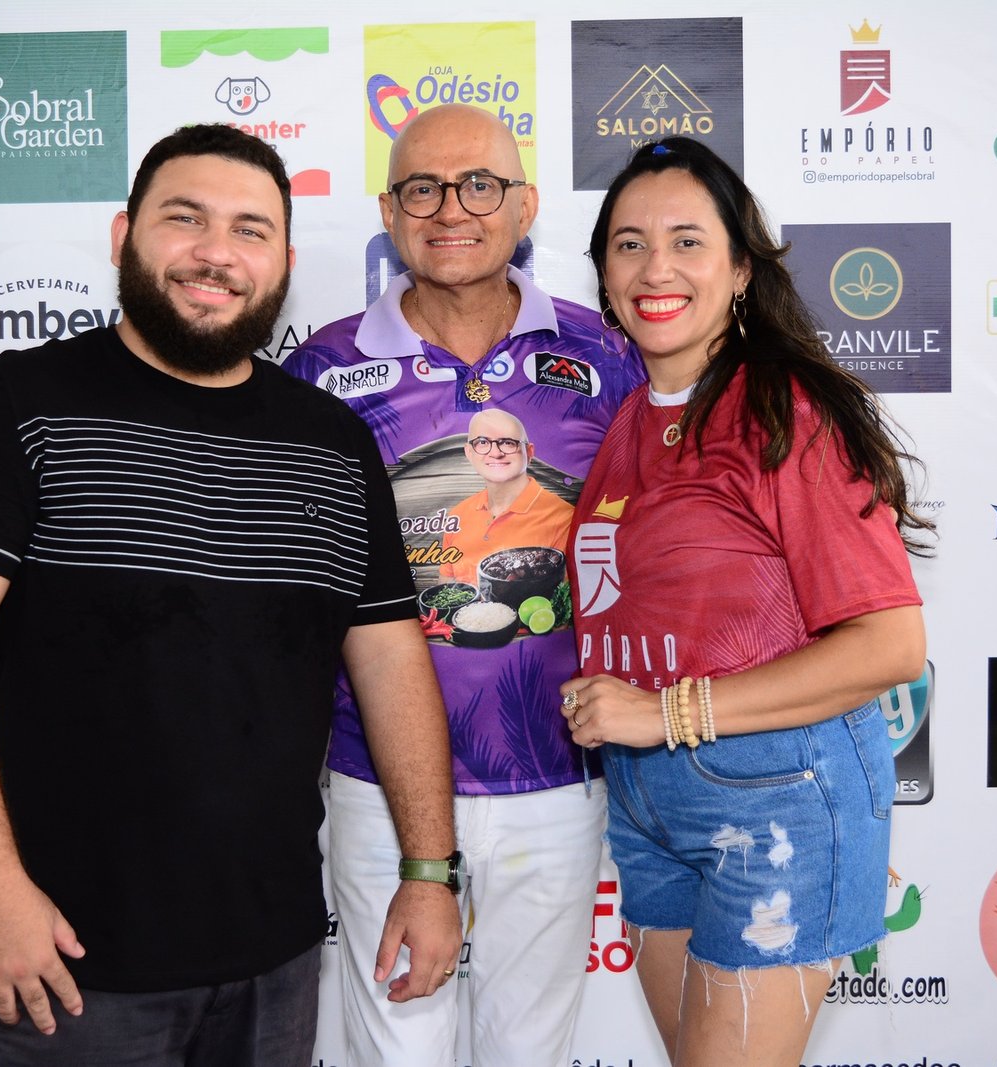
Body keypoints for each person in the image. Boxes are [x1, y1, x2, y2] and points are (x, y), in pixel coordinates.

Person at [0, 124, 461, 1067]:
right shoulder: (16, 403)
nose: (216, 253)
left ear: (283, 263)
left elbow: (392, 656)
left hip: (276, 956)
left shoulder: (333, 442)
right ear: (124, 236)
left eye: (250, 230)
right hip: (68, 956)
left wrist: (431, 870)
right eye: (184, 219)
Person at [282, 103, 644, 1066]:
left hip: (555, 771)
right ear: (388, 213)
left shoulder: (607, 356)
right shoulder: (321, 370)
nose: (451, 209)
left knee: (530, 1051)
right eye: (422, 188)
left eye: (480, 185)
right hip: (375, 780)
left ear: (525, 205)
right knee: (396, 1050)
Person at [558, 136, 931, 1066]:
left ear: (739, 272)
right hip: (648, 804)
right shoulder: (631, 418)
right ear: (604, 274)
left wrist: (664, 711)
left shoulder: (782, 411)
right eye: (630, 244)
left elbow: (888, 646)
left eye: (688, 241)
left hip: (779, 801)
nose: (656, 268)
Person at [438, 408, 574, 586]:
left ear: (529, 452)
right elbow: (444, 588)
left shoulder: (564, 518)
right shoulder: (458, 515)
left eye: (508, 443)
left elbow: (567, 596)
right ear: (469, 453)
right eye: (482, 442)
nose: (495, 453)